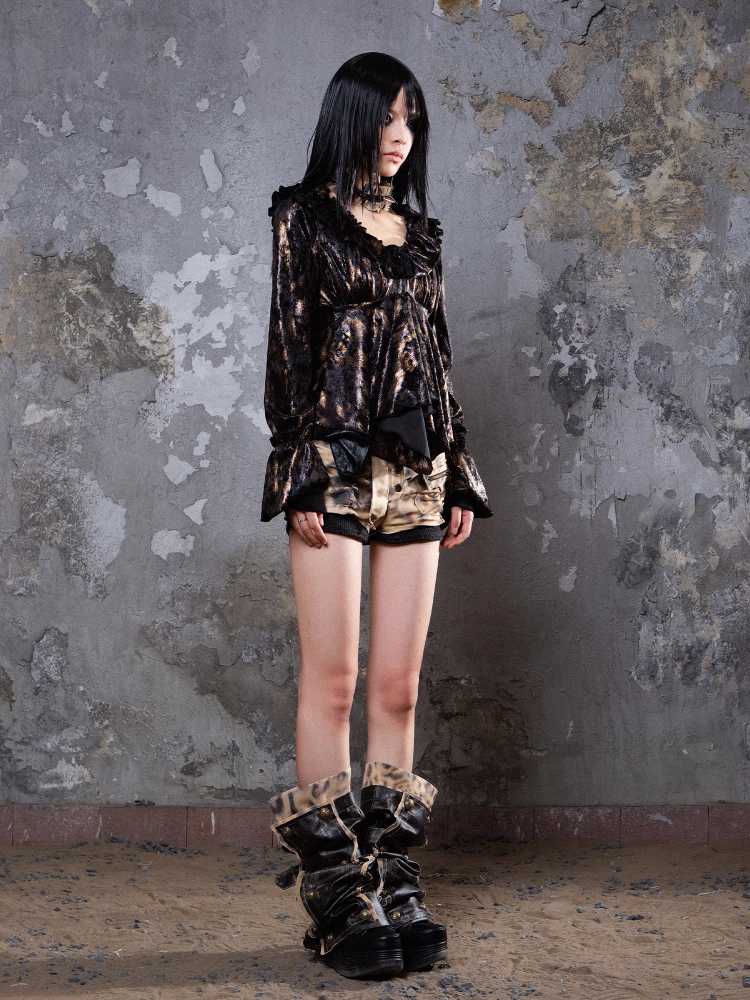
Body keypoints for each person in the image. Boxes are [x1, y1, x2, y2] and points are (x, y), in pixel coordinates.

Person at [262, 52, 493, 980]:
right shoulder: (303, 220)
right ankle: (335, 894)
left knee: (397, 685)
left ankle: (393, 879)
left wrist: (458, 472)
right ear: (351, 118)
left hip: (419, 471)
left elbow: (436, 354)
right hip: (336, 468)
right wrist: (298, 473)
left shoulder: (421, 235)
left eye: (412, 119)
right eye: (387, 117)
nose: (401, 135)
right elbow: (289, 353)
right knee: (335, 680)